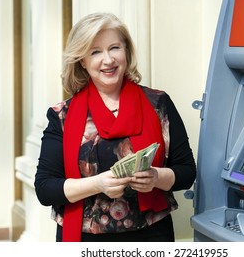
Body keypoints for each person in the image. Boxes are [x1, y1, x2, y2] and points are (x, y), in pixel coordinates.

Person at [34, 12, 196, 242]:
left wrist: (156, 177)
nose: (108, 60)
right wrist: (97, 184)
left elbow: (187, 172)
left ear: (126, 51)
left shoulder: (159, 103)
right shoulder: (62, 115)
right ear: (82, 60)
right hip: (85, 239)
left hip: (152, 236)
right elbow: (45, 188)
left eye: (114, 48)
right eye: (95, 52)